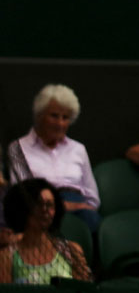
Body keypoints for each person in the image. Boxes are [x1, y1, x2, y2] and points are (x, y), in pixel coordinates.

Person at [5, 85, 98, 232]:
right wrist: (61, 205)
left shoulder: (78, 149)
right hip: (40, 208)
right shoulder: (17, 148)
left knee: (91, 220)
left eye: (65, 118)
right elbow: (22, 195)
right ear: (40, 116)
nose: (60, 123)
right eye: (54, 116)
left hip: (80, 211)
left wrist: (78, 206)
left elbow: (92, 197)